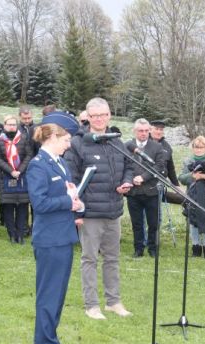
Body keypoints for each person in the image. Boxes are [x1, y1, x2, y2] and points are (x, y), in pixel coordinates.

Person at [64, 97, 134, 320]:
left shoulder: (116, 141)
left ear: (109, 115)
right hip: (91, 213)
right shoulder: (78, 143)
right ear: (87, 117)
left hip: (114, 211)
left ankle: (113, 302)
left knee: (112, 258)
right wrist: (77, 211)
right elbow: (71, 179)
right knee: (90, 259)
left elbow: (130, 166)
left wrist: (127, 182)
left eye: (103, 115)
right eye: (94, 116)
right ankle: (91, 305)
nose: (99, 119)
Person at [27, 111, 82, 344]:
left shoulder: (59, 163)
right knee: (50, 292)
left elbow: (65, 195)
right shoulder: (39, 165)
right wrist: (67, 201)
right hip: (50, 239)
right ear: (53, 137)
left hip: (63, 235)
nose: (69, 144)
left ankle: (45, 339)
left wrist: (75, 202)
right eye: (66, 139)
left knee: (57, 292)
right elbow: (39, 203)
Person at [124, 118, 166, 258]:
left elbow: (159, 166)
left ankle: (152, 248)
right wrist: (130, 180)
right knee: (136, 223)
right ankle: (138, 248)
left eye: (146, 131)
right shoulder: (127, 146)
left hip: (151, 190)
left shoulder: (157, 147)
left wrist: (143, 177)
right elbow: (123, 166)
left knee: (153, 223)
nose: (143, 133)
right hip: (133, 192)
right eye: (140, 131)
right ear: (135, 131)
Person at [0, 114, 32, 243]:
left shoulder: (23, 138)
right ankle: (12, 235)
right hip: (5, 177)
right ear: (4, 126)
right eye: (9, 124)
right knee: (8, 207)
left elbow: (29, 155)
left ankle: (20, 235)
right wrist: (11, 171)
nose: (12, 127)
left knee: (22, 207)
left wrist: (20, 170)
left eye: (14, 124)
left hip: (22, 177)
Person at [178, 136, 205, 259]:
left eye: (201, 147)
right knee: (193, 220)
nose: (199, 149)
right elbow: (181, 178)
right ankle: (195, 247)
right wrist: (192, 175)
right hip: (192, 194)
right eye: (196, 147)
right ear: (193, 148)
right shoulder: (188, 161)